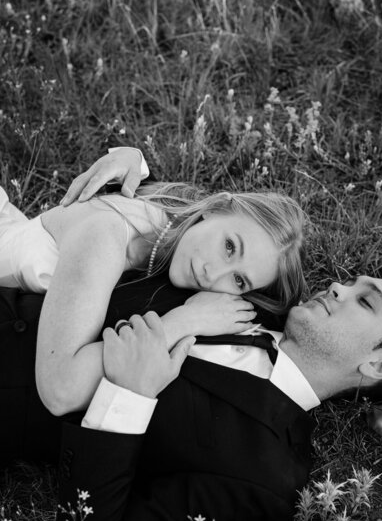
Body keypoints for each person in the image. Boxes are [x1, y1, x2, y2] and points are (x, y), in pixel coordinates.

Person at [49, 273, 382, 521]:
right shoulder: (255, 289)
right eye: (351, 282)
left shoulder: (266, 474)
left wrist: (130, 394)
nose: (337, 286)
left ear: (380, 366)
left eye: (366, 302)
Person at [0, 148, 306, 418]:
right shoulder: (106, 237)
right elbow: (60, 390)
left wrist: (134, 157)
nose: (212, 275)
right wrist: (183, 322)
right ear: (213, 209)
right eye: (229, 247)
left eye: (239, 280)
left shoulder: (170, 225)